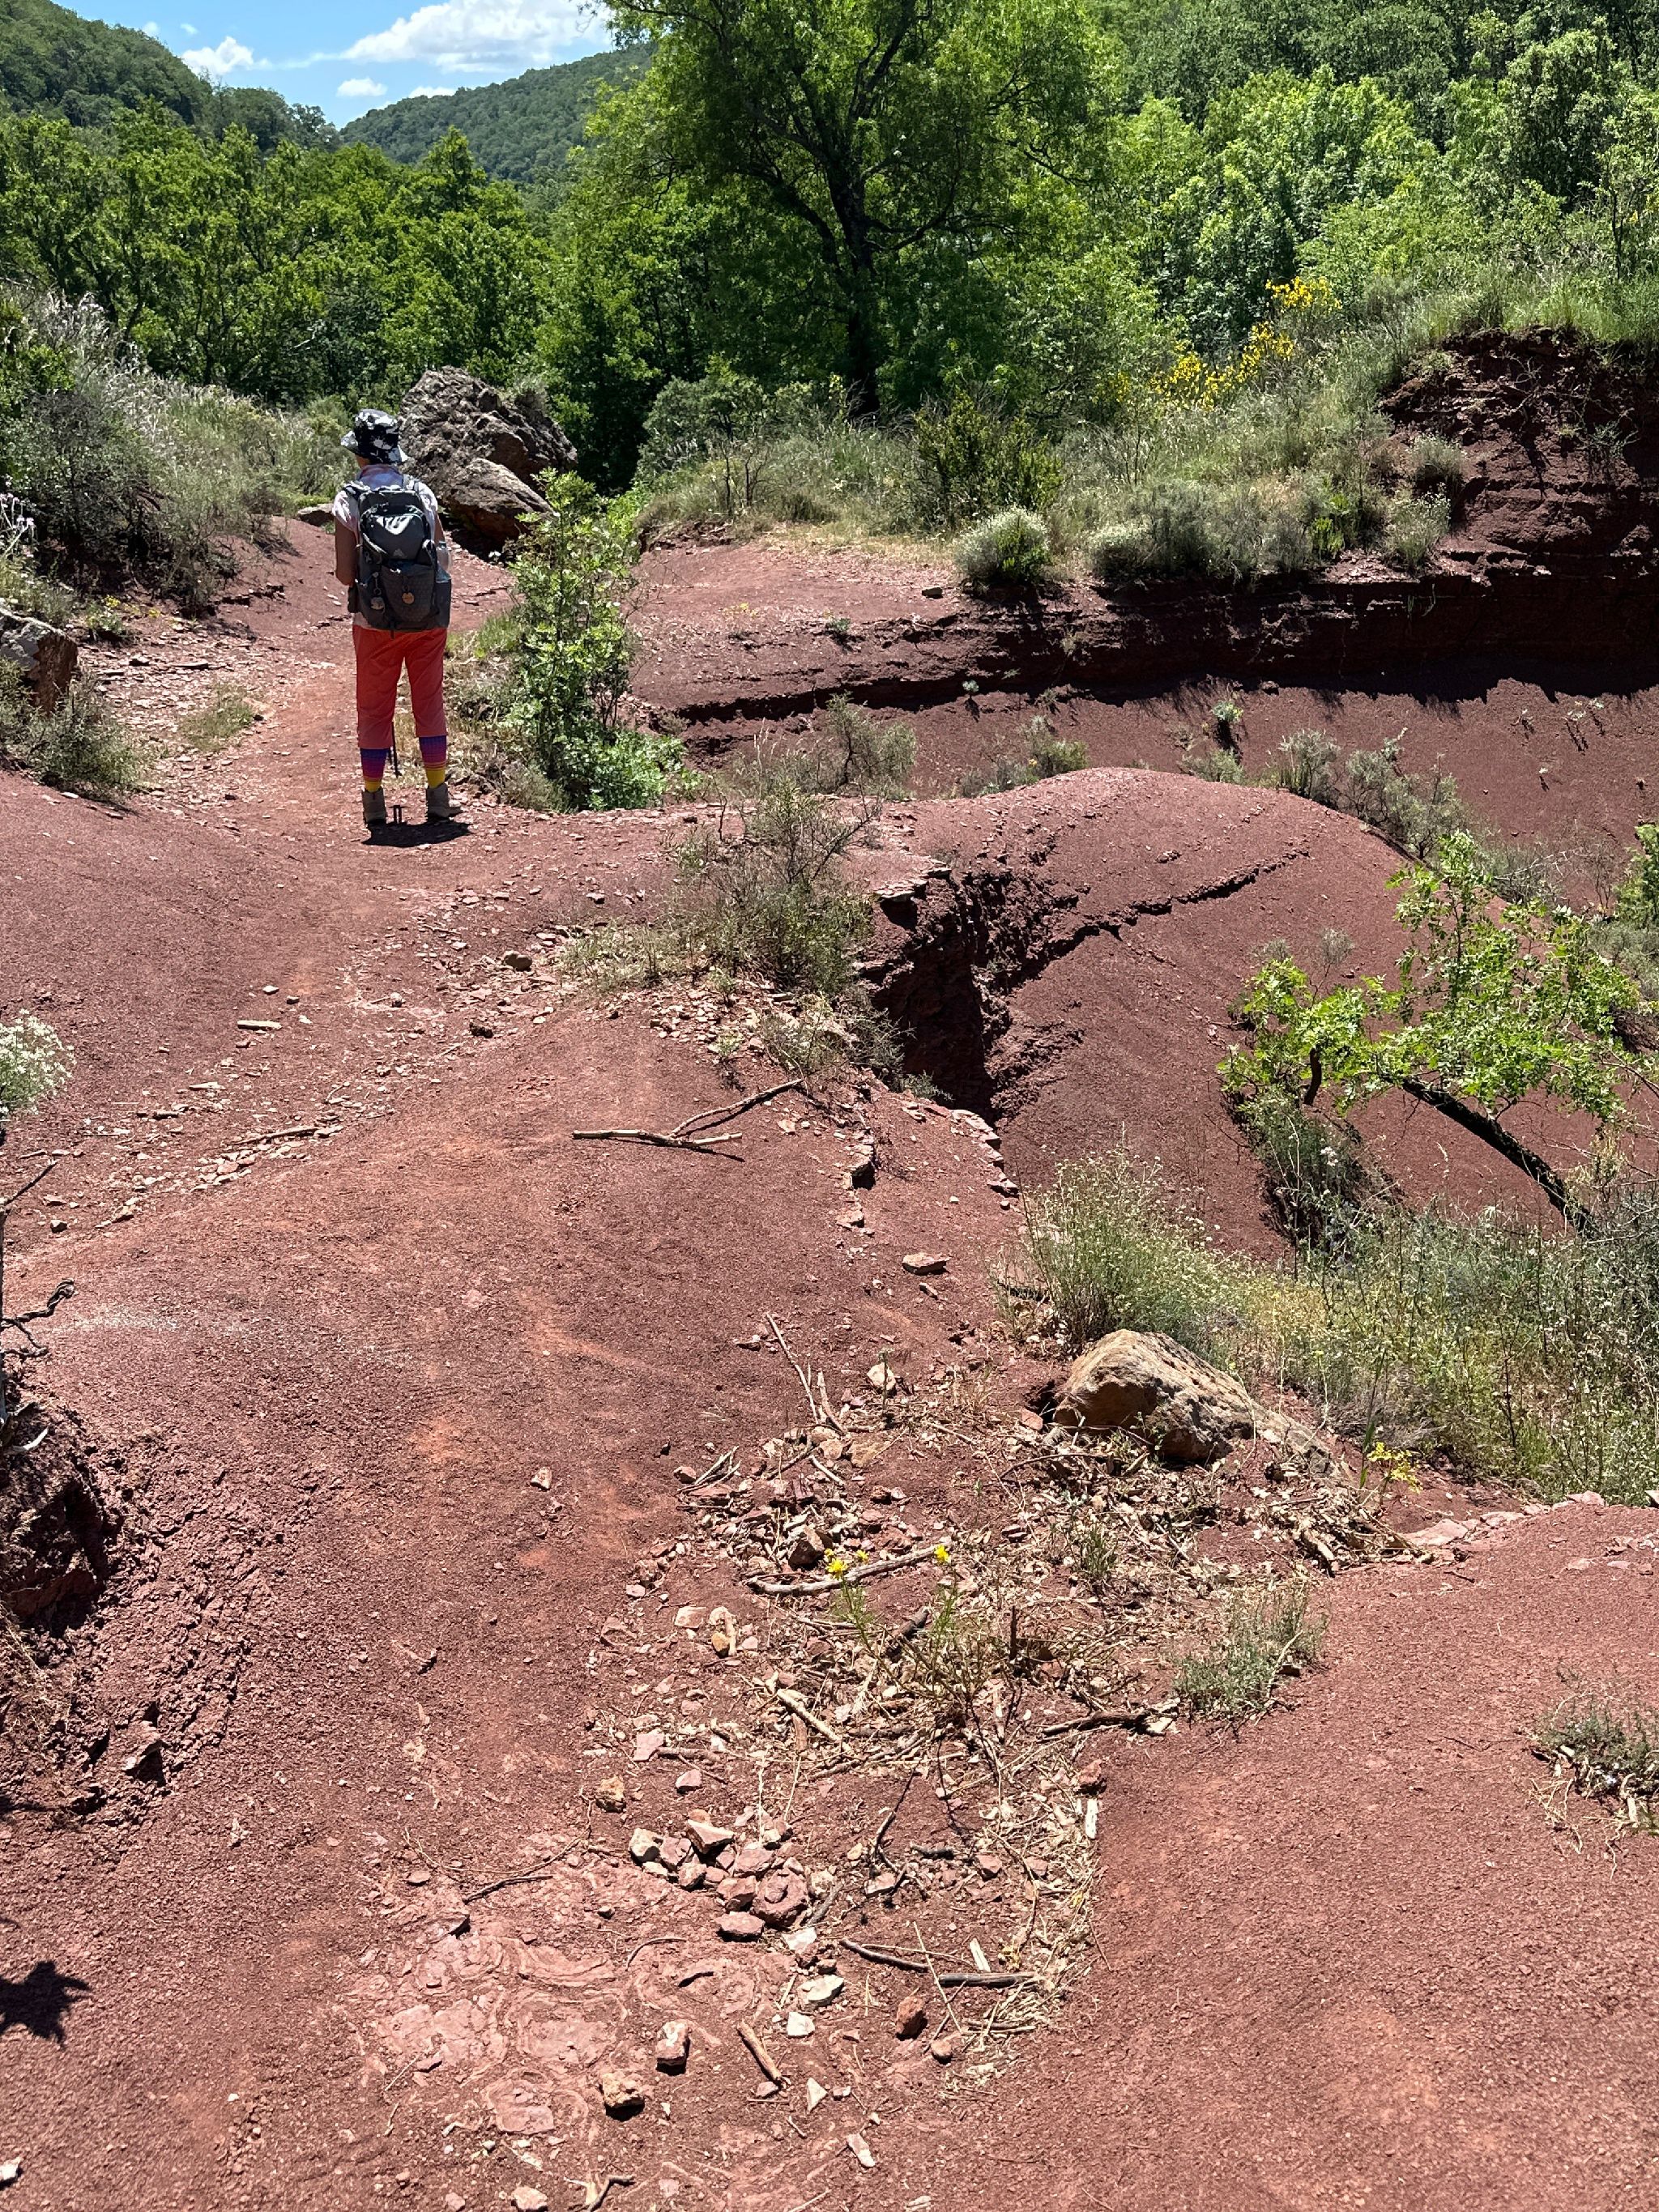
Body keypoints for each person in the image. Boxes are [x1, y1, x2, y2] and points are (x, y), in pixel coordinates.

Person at [332, 408, 455, 833]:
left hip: (375, 622)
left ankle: (374, 801)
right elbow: (442, 557)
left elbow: (345, 574)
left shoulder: (349, 498)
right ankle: (437, 795)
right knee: (429, 701)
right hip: (428, 619)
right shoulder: (421, 492)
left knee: (374, 707)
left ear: (360, 454)